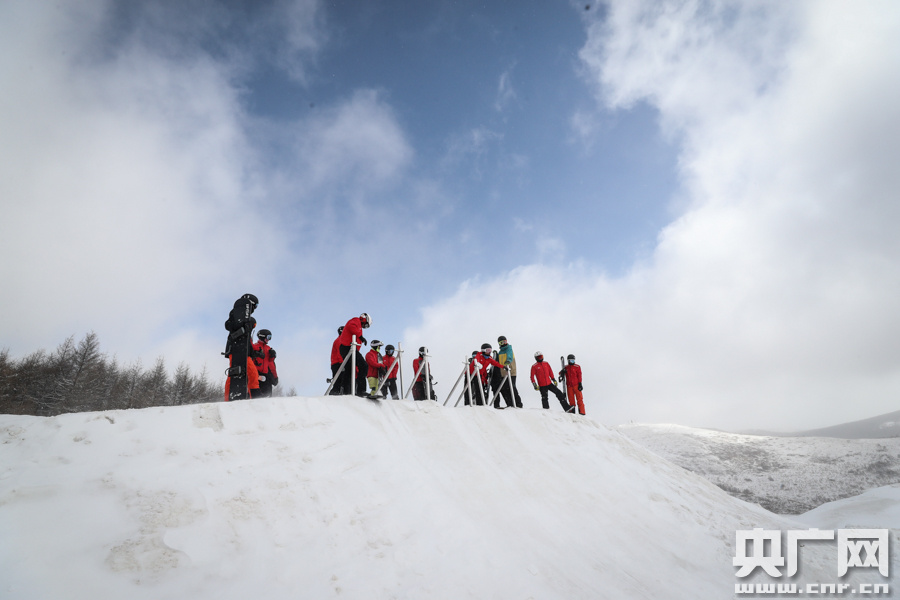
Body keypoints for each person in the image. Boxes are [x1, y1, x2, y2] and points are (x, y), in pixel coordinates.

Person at [223, 293, 258, 401]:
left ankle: (254, 398)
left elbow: (248, 340)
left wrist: (253, 353)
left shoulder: (249, 319)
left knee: (252, 374)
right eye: (255, 306)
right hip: (236, 349)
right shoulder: (234, 313)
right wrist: (240, 327)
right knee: (235, 373)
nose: (254, 309)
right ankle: (228, 399)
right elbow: (228, 325)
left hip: (245, 350)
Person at [335, 313, 371, 397]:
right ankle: (361, 390)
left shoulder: (358, 327)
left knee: (349, 370)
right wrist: (361, 337)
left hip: (348, 349)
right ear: (364, 319)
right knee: (364, 366)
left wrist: (360, 338)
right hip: (348, 348)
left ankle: (345, 391)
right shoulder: (356, 320)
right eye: (366, 324)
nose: (365, 326)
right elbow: (351, 327)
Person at [496, 335, 523, 408]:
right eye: (502, 342)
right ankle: (509, 404)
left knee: (512, 387)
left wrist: (508, 360)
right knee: (505, 389)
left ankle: (518, 404)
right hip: (503, 373)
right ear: (499, 344)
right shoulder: (500, 352)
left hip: (511, 372)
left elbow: (510, 355)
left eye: (505, 341)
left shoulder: (509, 348)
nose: (504, 343)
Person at [252, 329, 279, 398]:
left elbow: (271, 364)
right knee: (256, 396)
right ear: (262, 336)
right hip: (256, 375)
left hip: (266, 376)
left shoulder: (268, 349)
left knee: (267, 395)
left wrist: (275, 377)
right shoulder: (255, 347)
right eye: (268, 337)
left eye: (270, 337)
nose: (268, 339)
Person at [329, 326, 345, 395]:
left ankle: (338, 392)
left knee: (340, 380)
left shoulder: (340, 340)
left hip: (337, 363)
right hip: (337, 363)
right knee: (338, 380)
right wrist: (343, 364)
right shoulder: (339, 341)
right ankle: (334, 393)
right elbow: (340, 353)